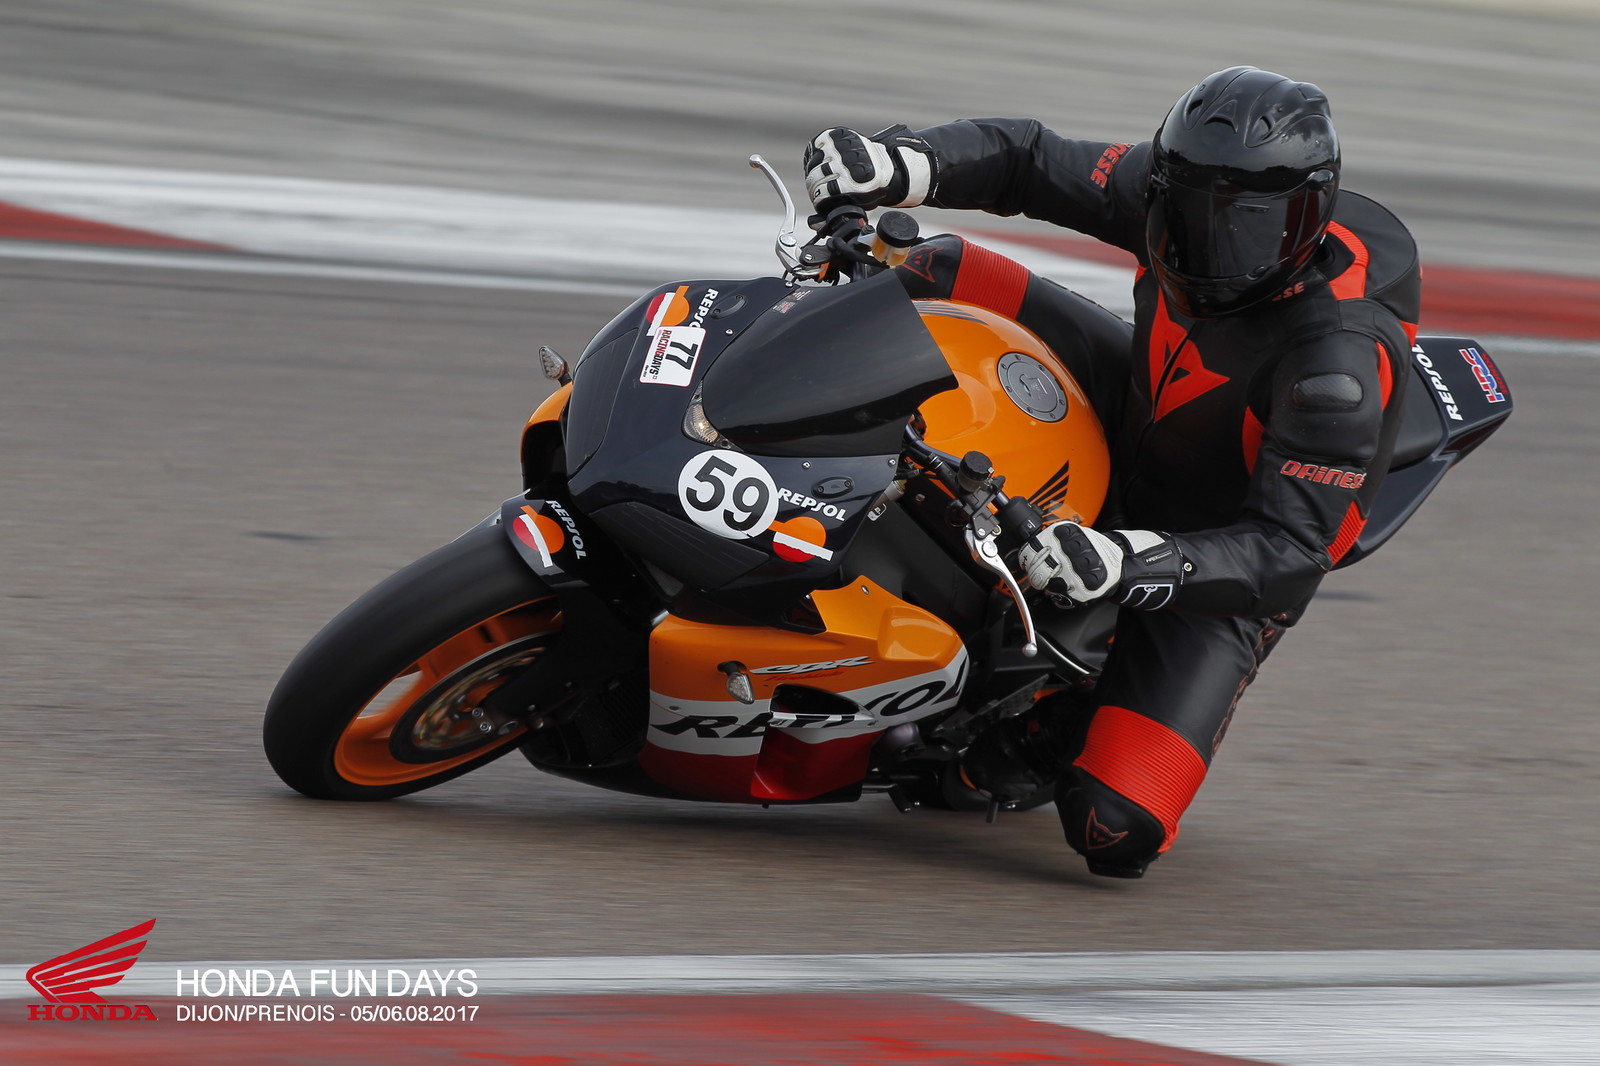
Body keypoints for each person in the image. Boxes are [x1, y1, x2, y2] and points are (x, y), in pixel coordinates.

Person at [802, 67, 1420, 878]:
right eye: (1189, 213)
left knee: (1114, 827)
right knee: (928, 269)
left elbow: (1291, 553)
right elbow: (1027, 158)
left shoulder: (1333, 366)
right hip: (1136, 400)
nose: (1210, 244)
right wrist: (905, 161)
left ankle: (1055, 725)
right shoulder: (1176, 186)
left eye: (1246, 226)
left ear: (1309, 219)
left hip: (1215, 550)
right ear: (1163, 184)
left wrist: (1129, 560)